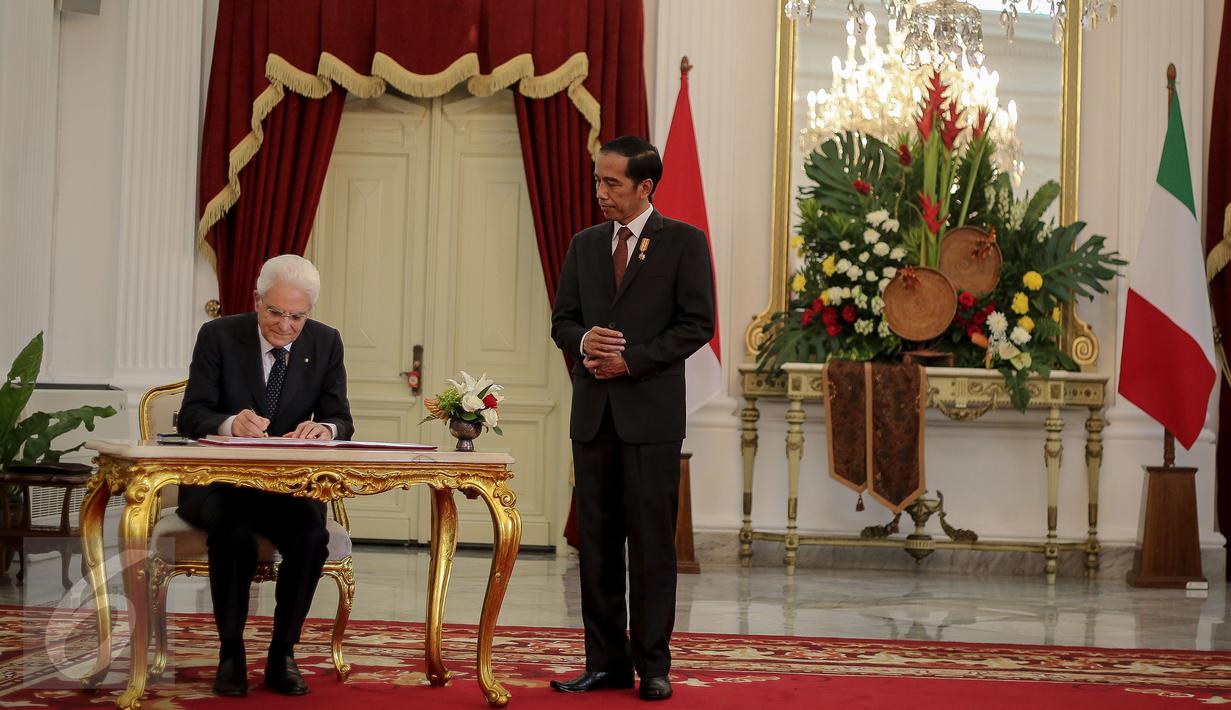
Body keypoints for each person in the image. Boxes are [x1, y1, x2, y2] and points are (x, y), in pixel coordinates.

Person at [549, 135, 716, 701]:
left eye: (612, 183)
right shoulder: (584, 244)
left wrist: (634, 359)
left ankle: (653, 666)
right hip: (593, 418)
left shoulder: (684, 243)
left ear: (645, 187)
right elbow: (563, 321)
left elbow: (698, 324)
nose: (600, 192)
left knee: (650, 547)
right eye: (597, 180)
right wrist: (583, 339)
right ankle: (605, 663)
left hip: (650, 419)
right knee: (595, 545)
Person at [177, 254, 353, 697]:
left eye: (298, 316)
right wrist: (228, 423)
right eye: (276, 312)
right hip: (219, 485)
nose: (286, 326)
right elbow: (192, 414)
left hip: (286, 487)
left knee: (313, 538)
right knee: (233, 536)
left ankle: (282, 655)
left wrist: (324, 428)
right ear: (257, 301)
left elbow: (341, 419)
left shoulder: (326, 342)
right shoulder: (218, 335)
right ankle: (231, 654)